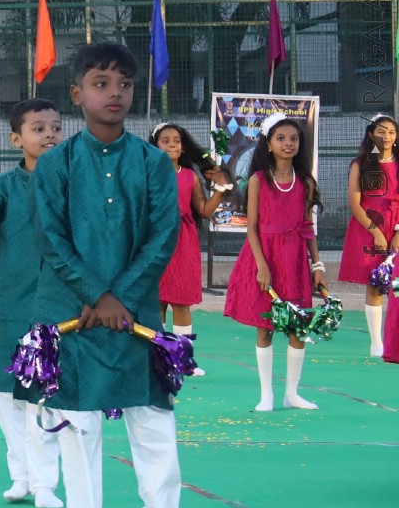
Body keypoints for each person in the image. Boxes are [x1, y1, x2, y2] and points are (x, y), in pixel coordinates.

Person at [30, 42, 196, 508]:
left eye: (124, 84)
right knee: (79, 432)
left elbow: (162, 233)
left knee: (156, 434)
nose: (115, 93)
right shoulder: (55, 164)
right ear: (77, 94)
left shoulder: (152, 162)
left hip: (138, 322)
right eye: (101, 83)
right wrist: (94, 296)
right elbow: (51, 239)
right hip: (74, 321)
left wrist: (121, 297)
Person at [0, 98, 64, 508]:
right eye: (38, 129)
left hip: (57, 309)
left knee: (46, 399)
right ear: (16, 138)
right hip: (4, 305)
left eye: (56, 128)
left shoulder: (75, 185)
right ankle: (20, 477)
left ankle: (45, 485)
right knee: (7, 397)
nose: (49, 136)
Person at [223, 114, 325, 412]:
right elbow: (252, 227)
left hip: (294, 261)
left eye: (293, 139)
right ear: (269, 145)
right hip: (265, 257)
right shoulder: (258, 181)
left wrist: (317, 266)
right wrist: (262, 266)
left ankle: (291, 393)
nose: (288, 143)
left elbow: (308, 228)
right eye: (281, 138)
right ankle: (266, 394)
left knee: (297, 328)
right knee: (265, 326)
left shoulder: (304, 182)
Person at [150, 123, 218, 376]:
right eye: (165, 141)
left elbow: (204, 210)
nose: (171, 145)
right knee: (155, 302)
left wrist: (221, 190)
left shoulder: (190, 176)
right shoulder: (147, 173)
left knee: (181, 302)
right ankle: (156, 359)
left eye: (176, 141)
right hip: (156, 242)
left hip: (184, 243)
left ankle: (183, 361)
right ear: (155, 146)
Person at [339, 115, 397, 359]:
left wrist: (396, 233)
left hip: (396, 226)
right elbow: (355, 203)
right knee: (375, 284)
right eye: (381, 131)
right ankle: (377, 343)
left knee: (395, 286)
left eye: (392, 132)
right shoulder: (360, 163)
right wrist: (375, 231)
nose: (386, 137)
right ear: (371, 134)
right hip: (369, 227)